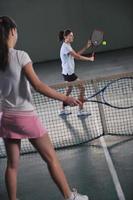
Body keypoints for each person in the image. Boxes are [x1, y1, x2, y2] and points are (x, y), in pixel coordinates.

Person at [0, 16, 89, 200]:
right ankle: (70, 197)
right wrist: (66, 98)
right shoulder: (20, 56)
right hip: (26, 117)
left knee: (12, 166)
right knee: (51, 159)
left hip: (6, 118)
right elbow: (38, 86)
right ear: (13, 32)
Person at [59, 29, 94, 116]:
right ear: (65, 37)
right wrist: (89, 59)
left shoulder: (67, 45)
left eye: (72, 35)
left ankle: (62, 109)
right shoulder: (65, 47)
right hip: (69, 74)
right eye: (70, 35)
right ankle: (80, 110)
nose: (72, 37)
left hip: (66, 73)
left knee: (69, 90)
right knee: (82, 88)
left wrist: (86, 47)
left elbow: (75, 55)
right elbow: (77, 56)